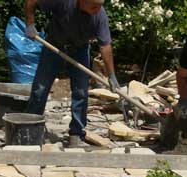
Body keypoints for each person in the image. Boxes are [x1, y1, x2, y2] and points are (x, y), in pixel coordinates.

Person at [24, 0, 119, 147]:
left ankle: (76, 132)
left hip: (79, 49)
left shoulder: (100, 16)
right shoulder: (64, 2)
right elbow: (32, 1)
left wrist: (111, 75)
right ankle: (30, 128)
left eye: (100, 6)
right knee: (40, 88)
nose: (98, 9)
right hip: (54, 45)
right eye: (94, 6)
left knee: (81, 91)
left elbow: (105, 46)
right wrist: (29, 23)